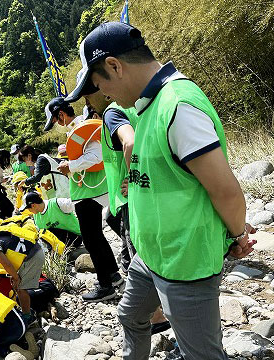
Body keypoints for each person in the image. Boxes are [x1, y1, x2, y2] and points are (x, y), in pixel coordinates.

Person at [77, 21, 256, 359]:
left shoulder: (178, 106)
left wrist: (235, 235)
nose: (105, 96)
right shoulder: (147, 105)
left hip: (185, 263)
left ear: (115, 65)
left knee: (202, 354)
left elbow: (226, 191)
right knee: (130, 316)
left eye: (101, 85)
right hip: (152, 255)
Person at [67, 70, 169, 333]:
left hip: (131, 198)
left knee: (140, 255)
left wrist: (134, 179)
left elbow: (131, 143)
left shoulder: (113, 112)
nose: (86, 104)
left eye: (88, 95)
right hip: (150, 193)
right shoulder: (142, 105)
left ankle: (156, 316)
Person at [43, 96, 124, 302]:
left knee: (91, 238)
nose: (56, 126)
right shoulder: (76, 129)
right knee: (96, 236)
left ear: (60, 115)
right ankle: (113, 275)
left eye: (54, 121)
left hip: (91, 192)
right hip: (86, 192)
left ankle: (105, 285)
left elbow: (96, 155)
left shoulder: (81, 127)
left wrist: (69, 166)